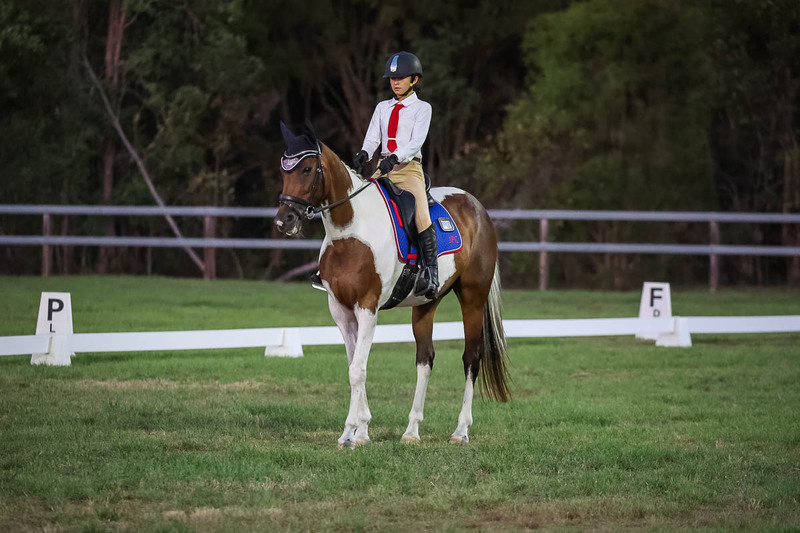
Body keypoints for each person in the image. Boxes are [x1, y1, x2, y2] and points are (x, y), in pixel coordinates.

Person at [353, 51, 438, 299]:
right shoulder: (382, 107)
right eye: (392, 78)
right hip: (383, 168)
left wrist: (394, 158)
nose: (395, 82)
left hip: (409, 169)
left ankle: (431, 273)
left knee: (421, 213)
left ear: (414, 80)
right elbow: (372, 139)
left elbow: (416, 142)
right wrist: (363, 154)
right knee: (357, 204)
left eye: (401, 78)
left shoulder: (422, 108)